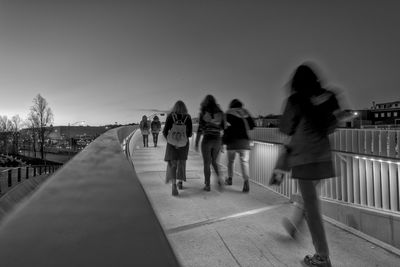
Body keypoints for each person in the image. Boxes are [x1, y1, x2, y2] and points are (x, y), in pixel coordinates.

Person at [279, 63, 342, 267]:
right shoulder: (329, 96)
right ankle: (295, 227)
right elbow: (332, 125)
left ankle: (322, 256)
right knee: (311, 201)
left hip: (303, 158)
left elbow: (286, 127)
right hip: (323, 156)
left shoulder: (295, 100)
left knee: (312, 207)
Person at [222, 99, 255, 192]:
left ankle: (229, 179)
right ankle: (246, 183)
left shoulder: (228, 113)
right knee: (244, 163)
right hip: (244, 142)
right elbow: (252, 126)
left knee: (231, 162)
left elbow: (224, 127)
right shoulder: (245, 112)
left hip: (231, 142)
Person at [195, 95, 225, 192]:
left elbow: (200, 129)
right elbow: (223, 127)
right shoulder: (220, 113)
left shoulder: (203, 112)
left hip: (207, 139)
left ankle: (207, 185)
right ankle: (220, 179)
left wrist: (196, 142)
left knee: (207, 163)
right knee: (214, 161)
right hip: (217, 139)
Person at [163, 100, 192, 196]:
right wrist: (181, 139)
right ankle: (180, 183)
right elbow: (190, 134)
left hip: (172, 144)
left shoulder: (170, 116)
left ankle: (174, 185)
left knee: (173, 164)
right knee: (181, 163)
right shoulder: (188, 117)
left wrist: (172, 141)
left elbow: (165, 131)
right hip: (183, 144)